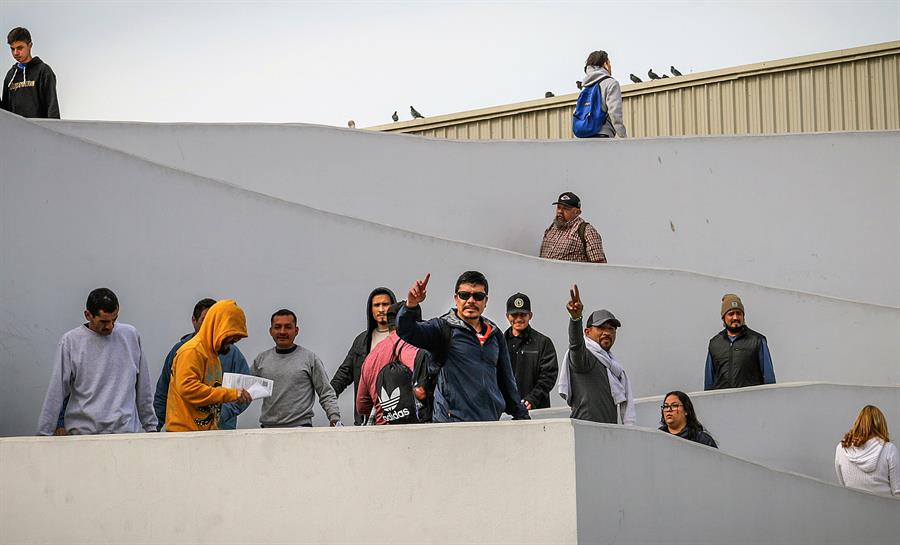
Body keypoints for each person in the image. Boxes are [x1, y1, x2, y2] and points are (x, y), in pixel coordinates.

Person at [397, 271, 529, 422]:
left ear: (486, 301)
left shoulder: (494, 333)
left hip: (489, 424)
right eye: (464, 295)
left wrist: (521, 415)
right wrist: (411, 305)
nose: (471, 300)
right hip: (451, 426)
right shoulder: (442, 329)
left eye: (478, 296)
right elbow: (406, 330)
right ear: (456, 299)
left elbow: (506, 380)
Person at [36, 288, 156, 435]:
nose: (110, 326)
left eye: (114, 319)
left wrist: (151, 428)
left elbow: (143, 387)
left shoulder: (130, 336)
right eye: (104, 321)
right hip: (84, 435)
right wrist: (43, 434)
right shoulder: (71, 341)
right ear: (88, 315)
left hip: (125, 434)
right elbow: (56, 391)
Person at [153, 298, 250, 431]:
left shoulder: (213, 355)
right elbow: (188, 388)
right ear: (218, 326)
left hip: (203, 436)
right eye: (233, 333)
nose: (236, 340)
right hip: (185, 436)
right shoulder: (192, 351)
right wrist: (230, 394)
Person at [557, 285, 634, 425]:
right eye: (601, 327)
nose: (607, 332)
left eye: (611, 329)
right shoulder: (584, 357)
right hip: (585, 432)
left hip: (608, 434)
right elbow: (575, 345)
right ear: (587, 332)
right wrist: (576, 319)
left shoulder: (613, 365)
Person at [252, 309, 342, 427]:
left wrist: (334, 418)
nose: (282, 331)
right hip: (268, 432)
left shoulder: (310, 359)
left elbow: (325, 392)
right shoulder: (261, 360)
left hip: (301, 431)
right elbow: (244, 391)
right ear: (271, 331)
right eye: (278, 327)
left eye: (288, 327)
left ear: (296, 330)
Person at [357, 302, 436, 425]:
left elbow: (362, 406)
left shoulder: (370, 357)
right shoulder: (412, 347)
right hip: (414, 433)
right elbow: (424, 386)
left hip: (382, 433)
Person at [331, 287, 397, 425]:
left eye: (385, 304)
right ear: (370, 309)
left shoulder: (403, 337)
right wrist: (329, 396)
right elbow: (345, 372)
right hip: (367, 415)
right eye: (376, 305)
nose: (381, 309)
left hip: (397, 410)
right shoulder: (362, 341)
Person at [704, 294, 776, 390]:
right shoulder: (714, 343)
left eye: (738, 313)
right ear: (723, 317)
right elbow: (709, 382)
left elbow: (769, 379)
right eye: (731, 314)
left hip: (751, 401)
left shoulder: (757, 340)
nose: (735, 318)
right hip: (723, 402)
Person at [504, 292, 558, 410]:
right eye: (514, 314)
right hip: (505, 410)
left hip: (536, 410)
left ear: (530, 315)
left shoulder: (543, 343)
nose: (519, 319)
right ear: (507, 316)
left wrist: (533, 399)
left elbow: (548, 376)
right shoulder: (499, 343)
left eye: (523, 314)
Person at [834, 405, 898, 497]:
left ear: (858, 422)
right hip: (884, 509)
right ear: (881, 424)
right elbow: (897, 491)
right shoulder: (889, 449)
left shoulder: (841, 447)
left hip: (851, 507)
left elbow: (842, 484)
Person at [3, 27, 59, 118]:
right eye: (12, 49)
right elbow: (5, 112)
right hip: (15, 130)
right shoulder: (10, 75)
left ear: (30, 46)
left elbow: (52, 107)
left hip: (38, 130)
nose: (15, 53)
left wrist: (53, 130)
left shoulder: (43, 71)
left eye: (20, 48)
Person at [539, 192, 607, 263]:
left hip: (572, 274)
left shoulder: (587, 231)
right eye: (558, 207)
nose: (560, 211)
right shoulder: (551, 228)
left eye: (566, 208)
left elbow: (599, 266)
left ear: (577, 212)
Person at [577, 50, 626, 138]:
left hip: (584, 137)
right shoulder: (611, 83)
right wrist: (623, 137)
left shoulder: (586, 86)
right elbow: (615, 113)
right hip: (603, 135)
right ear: (605, 65)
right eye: (609, 63)